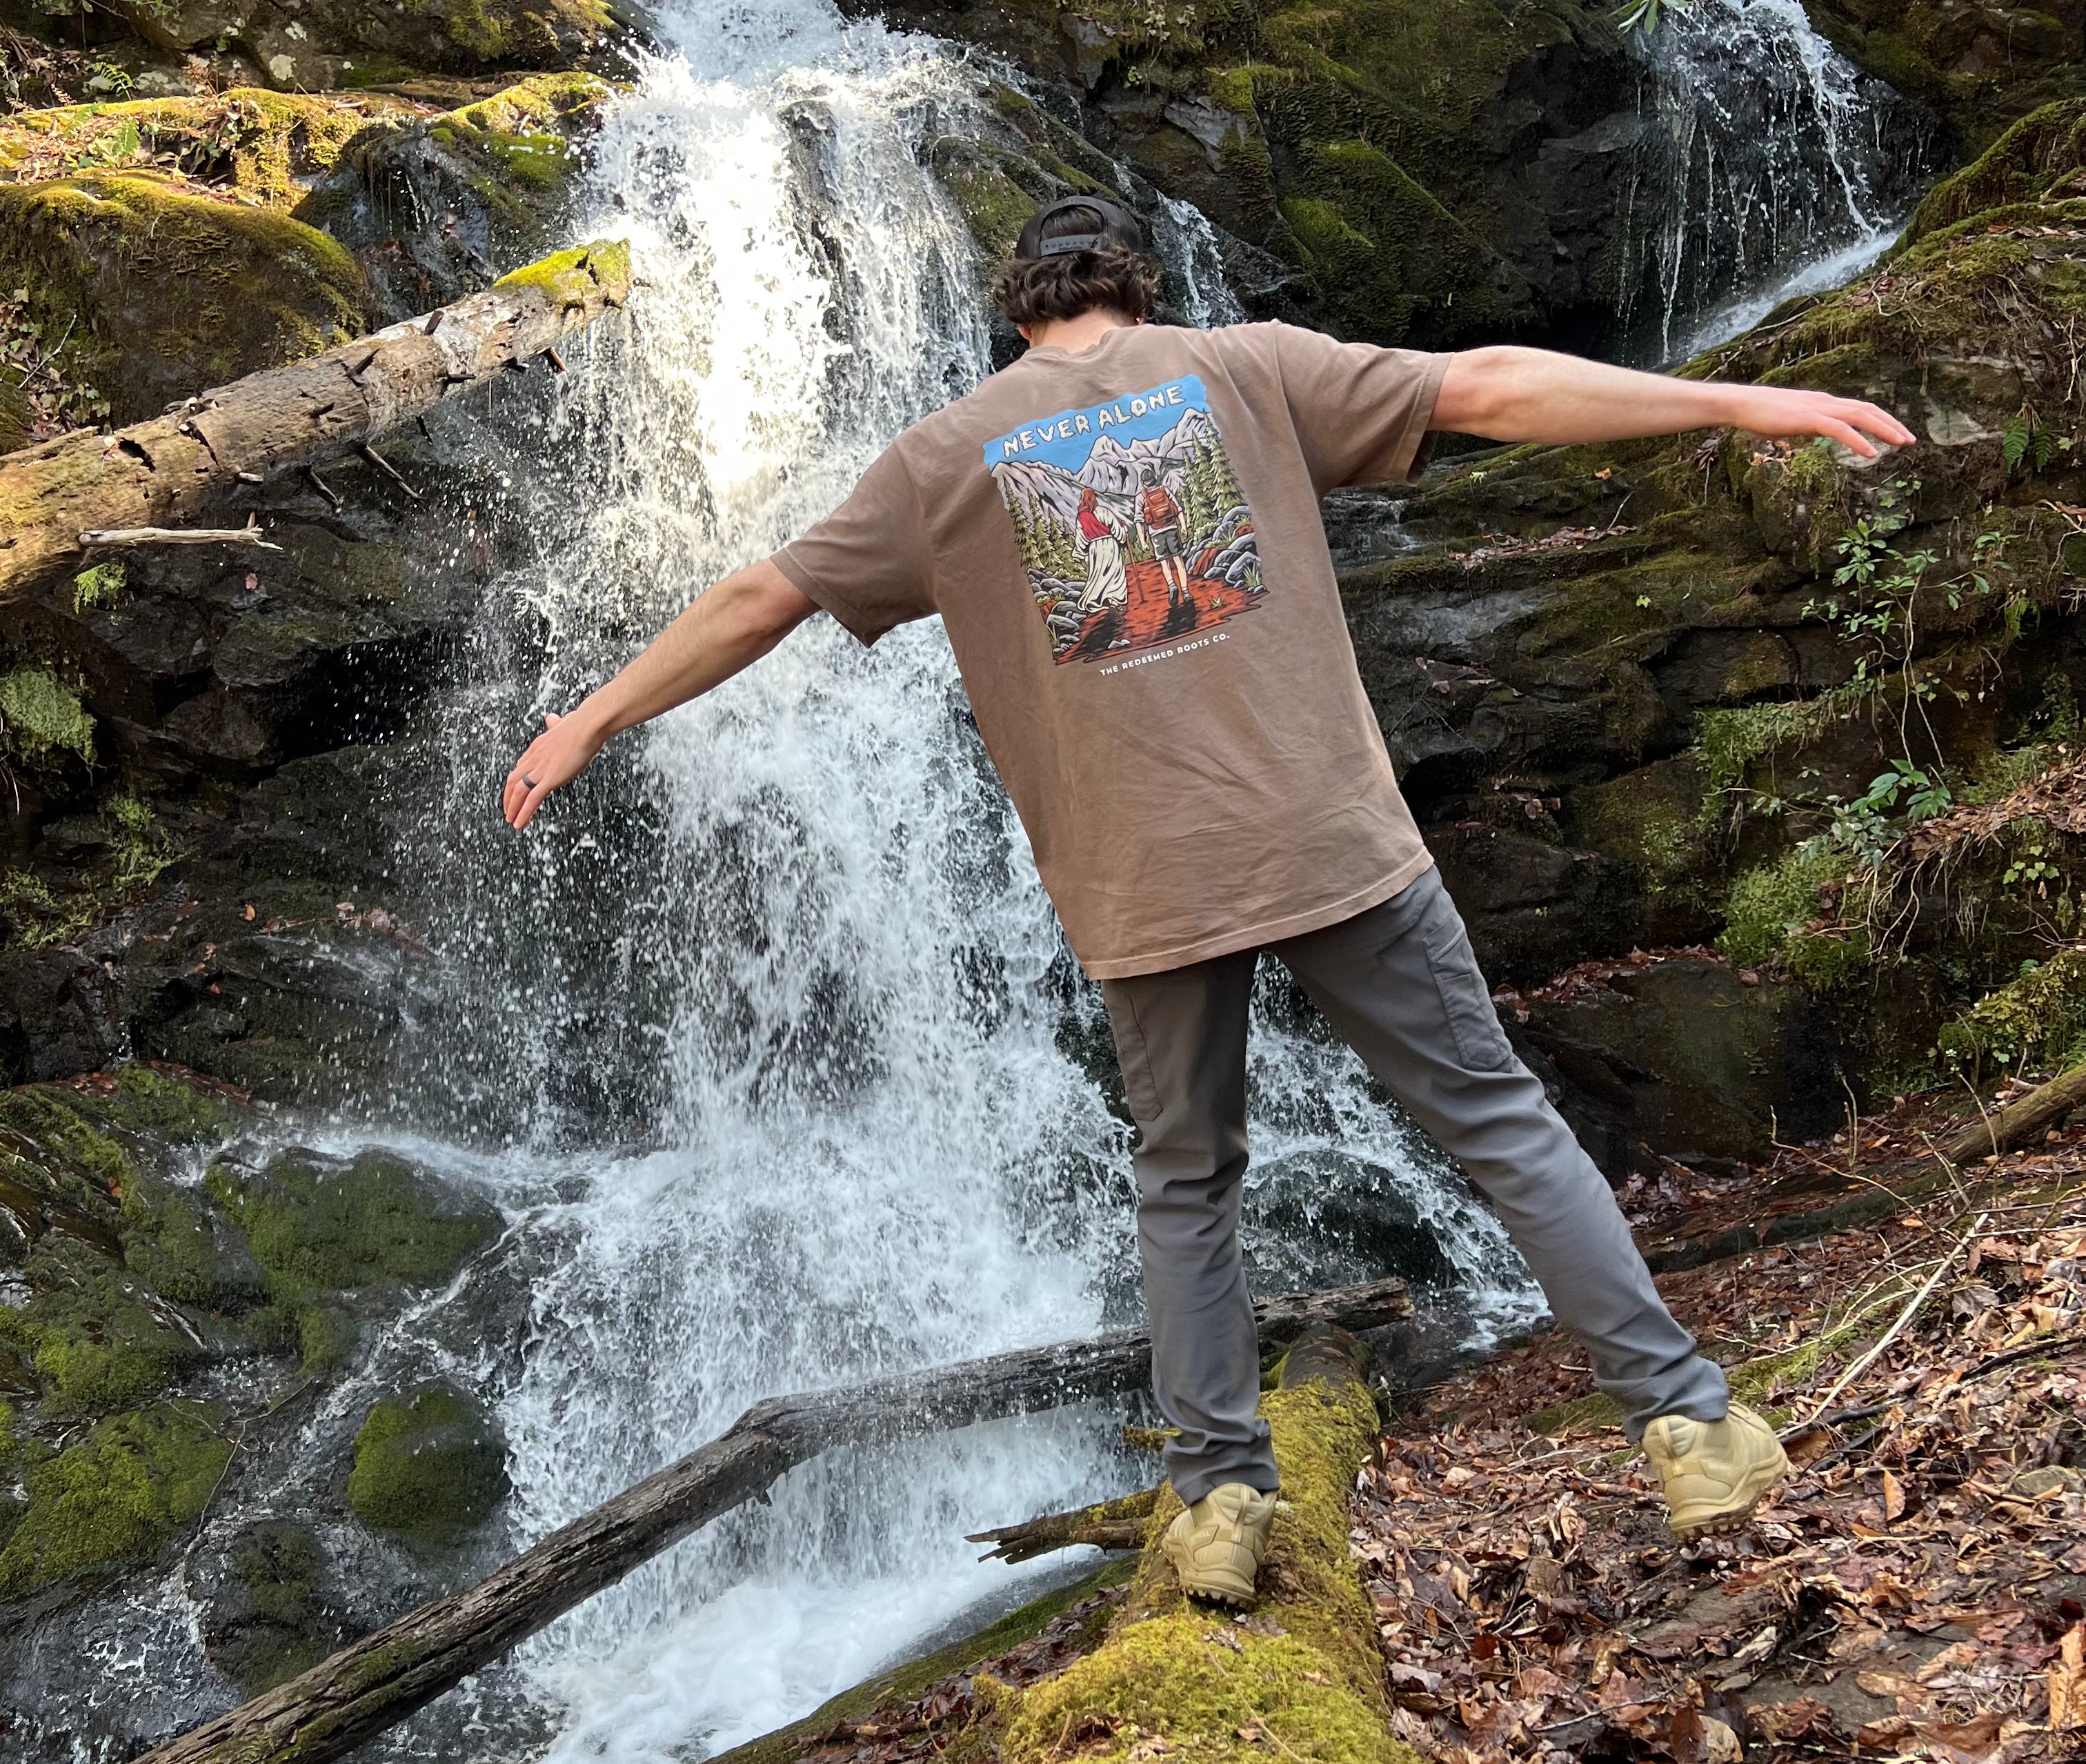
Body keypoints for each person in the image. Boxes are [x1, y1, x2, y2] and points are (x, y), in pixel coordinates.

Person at [501, 193, 1916, 1608]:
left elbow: (764, 594)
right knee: (1497, 1121)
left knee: (1186, 1184)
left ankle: (1220, 1503)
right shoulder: (1249, 366)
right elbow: (1486, 387)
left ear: (1016, 308)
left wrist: (592, 718)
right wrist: (1740, 399)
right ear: (1136, 284)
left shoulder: (944, 456)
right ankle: (1690, 1430)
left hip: (1143, 881)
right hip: (1328, 841)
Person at [1073, 483, 1130, 651]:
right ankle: (1114, 602)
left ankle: (1103, 601)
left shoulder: (1081, 518)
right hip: (1110, 545)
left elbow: (1081, 538)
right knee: (1115, 575)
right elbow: (1116, 530)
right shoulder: (1104, 512)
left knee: (1099, 576)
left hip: (1095, 549)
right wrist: (1123, 534)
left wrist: (1083, 553)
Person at [1139, 473, 1194, 630]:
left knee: (1165, 563)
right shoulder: (1164, 490)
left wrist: (1143, 542)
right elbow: (1178, 509)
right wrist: (1183, 526)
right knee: (1178, 561)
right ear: (1154, 480)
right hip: (1171, 528)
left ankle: (1171, 585)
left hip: (1155, 533)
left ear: (1144, 483)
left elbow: (1139, 521)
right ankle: (1185, 592)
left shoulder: (1141, 497)